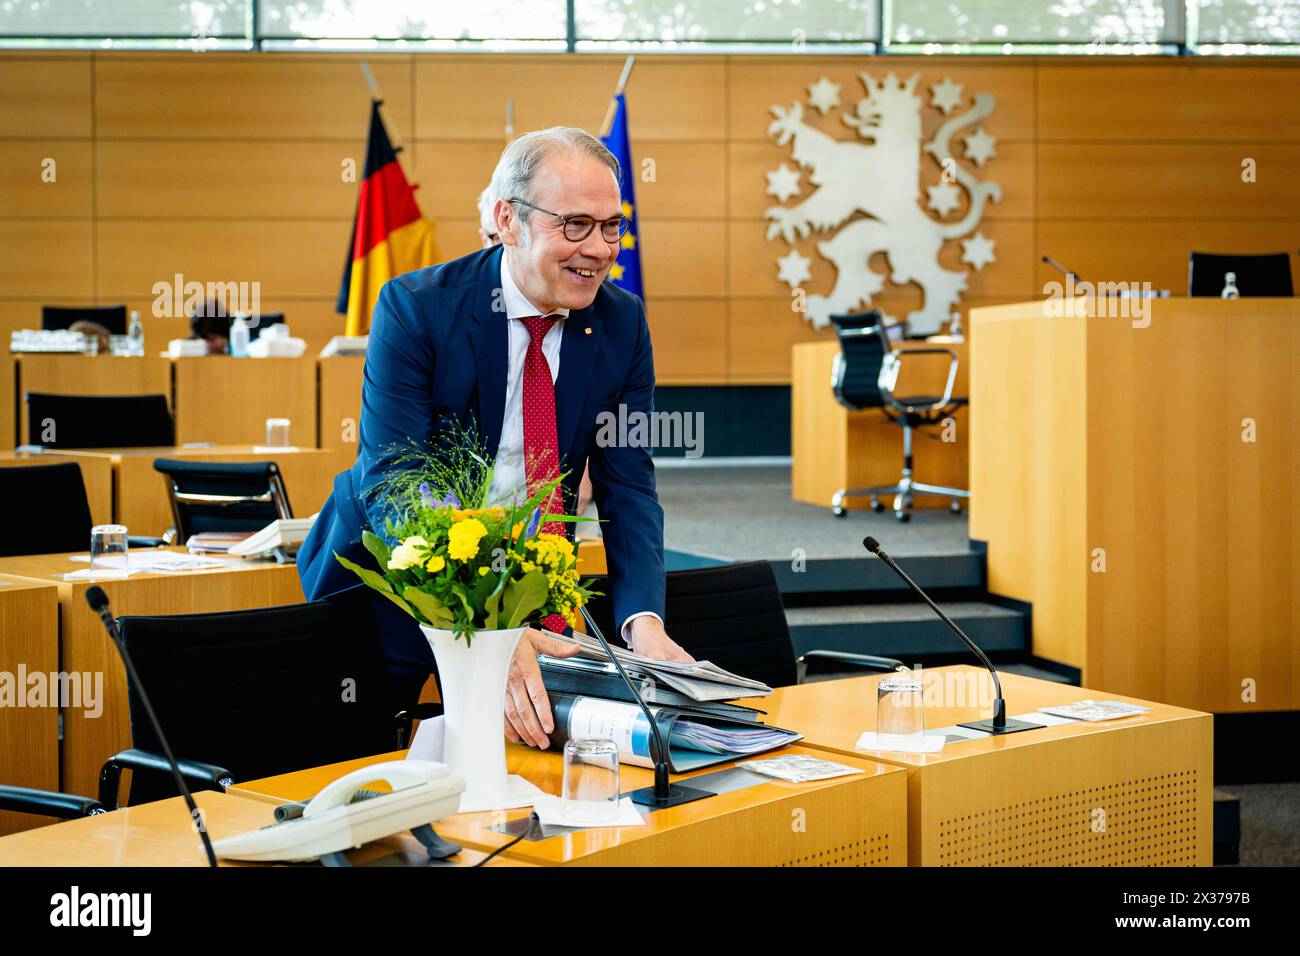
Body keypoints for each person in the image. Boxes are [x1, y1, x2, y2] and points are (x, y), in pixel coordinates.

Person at [298, 126, 692, 750]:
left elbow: (629, 488)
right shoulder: (415, 308)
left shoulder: (623, 323)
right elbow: (396, 484)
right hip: (391, 580)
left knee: (519, 770)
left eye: (611, 226)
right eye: (576, 225)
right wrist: (483, 626)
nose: (599, 249)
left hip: (524, 585)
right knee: (363, 773)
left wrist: (643, 622)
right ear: (507, 220)